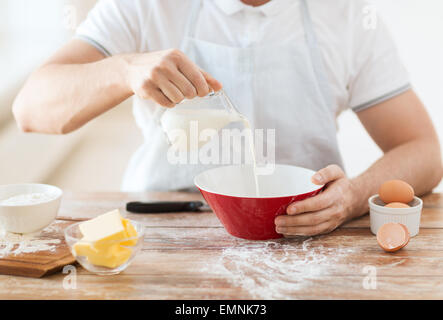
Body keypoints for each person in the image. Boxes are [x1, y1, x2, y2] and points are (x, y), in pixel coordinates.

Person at [12, 0, 443, 236]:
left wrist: (351, 199)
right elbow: (31, 108)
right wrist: (124, 70)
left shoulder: (347, 17)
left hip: (305, 236)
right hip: (161, 231)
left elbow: (424, 151)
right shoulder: (144, 6)